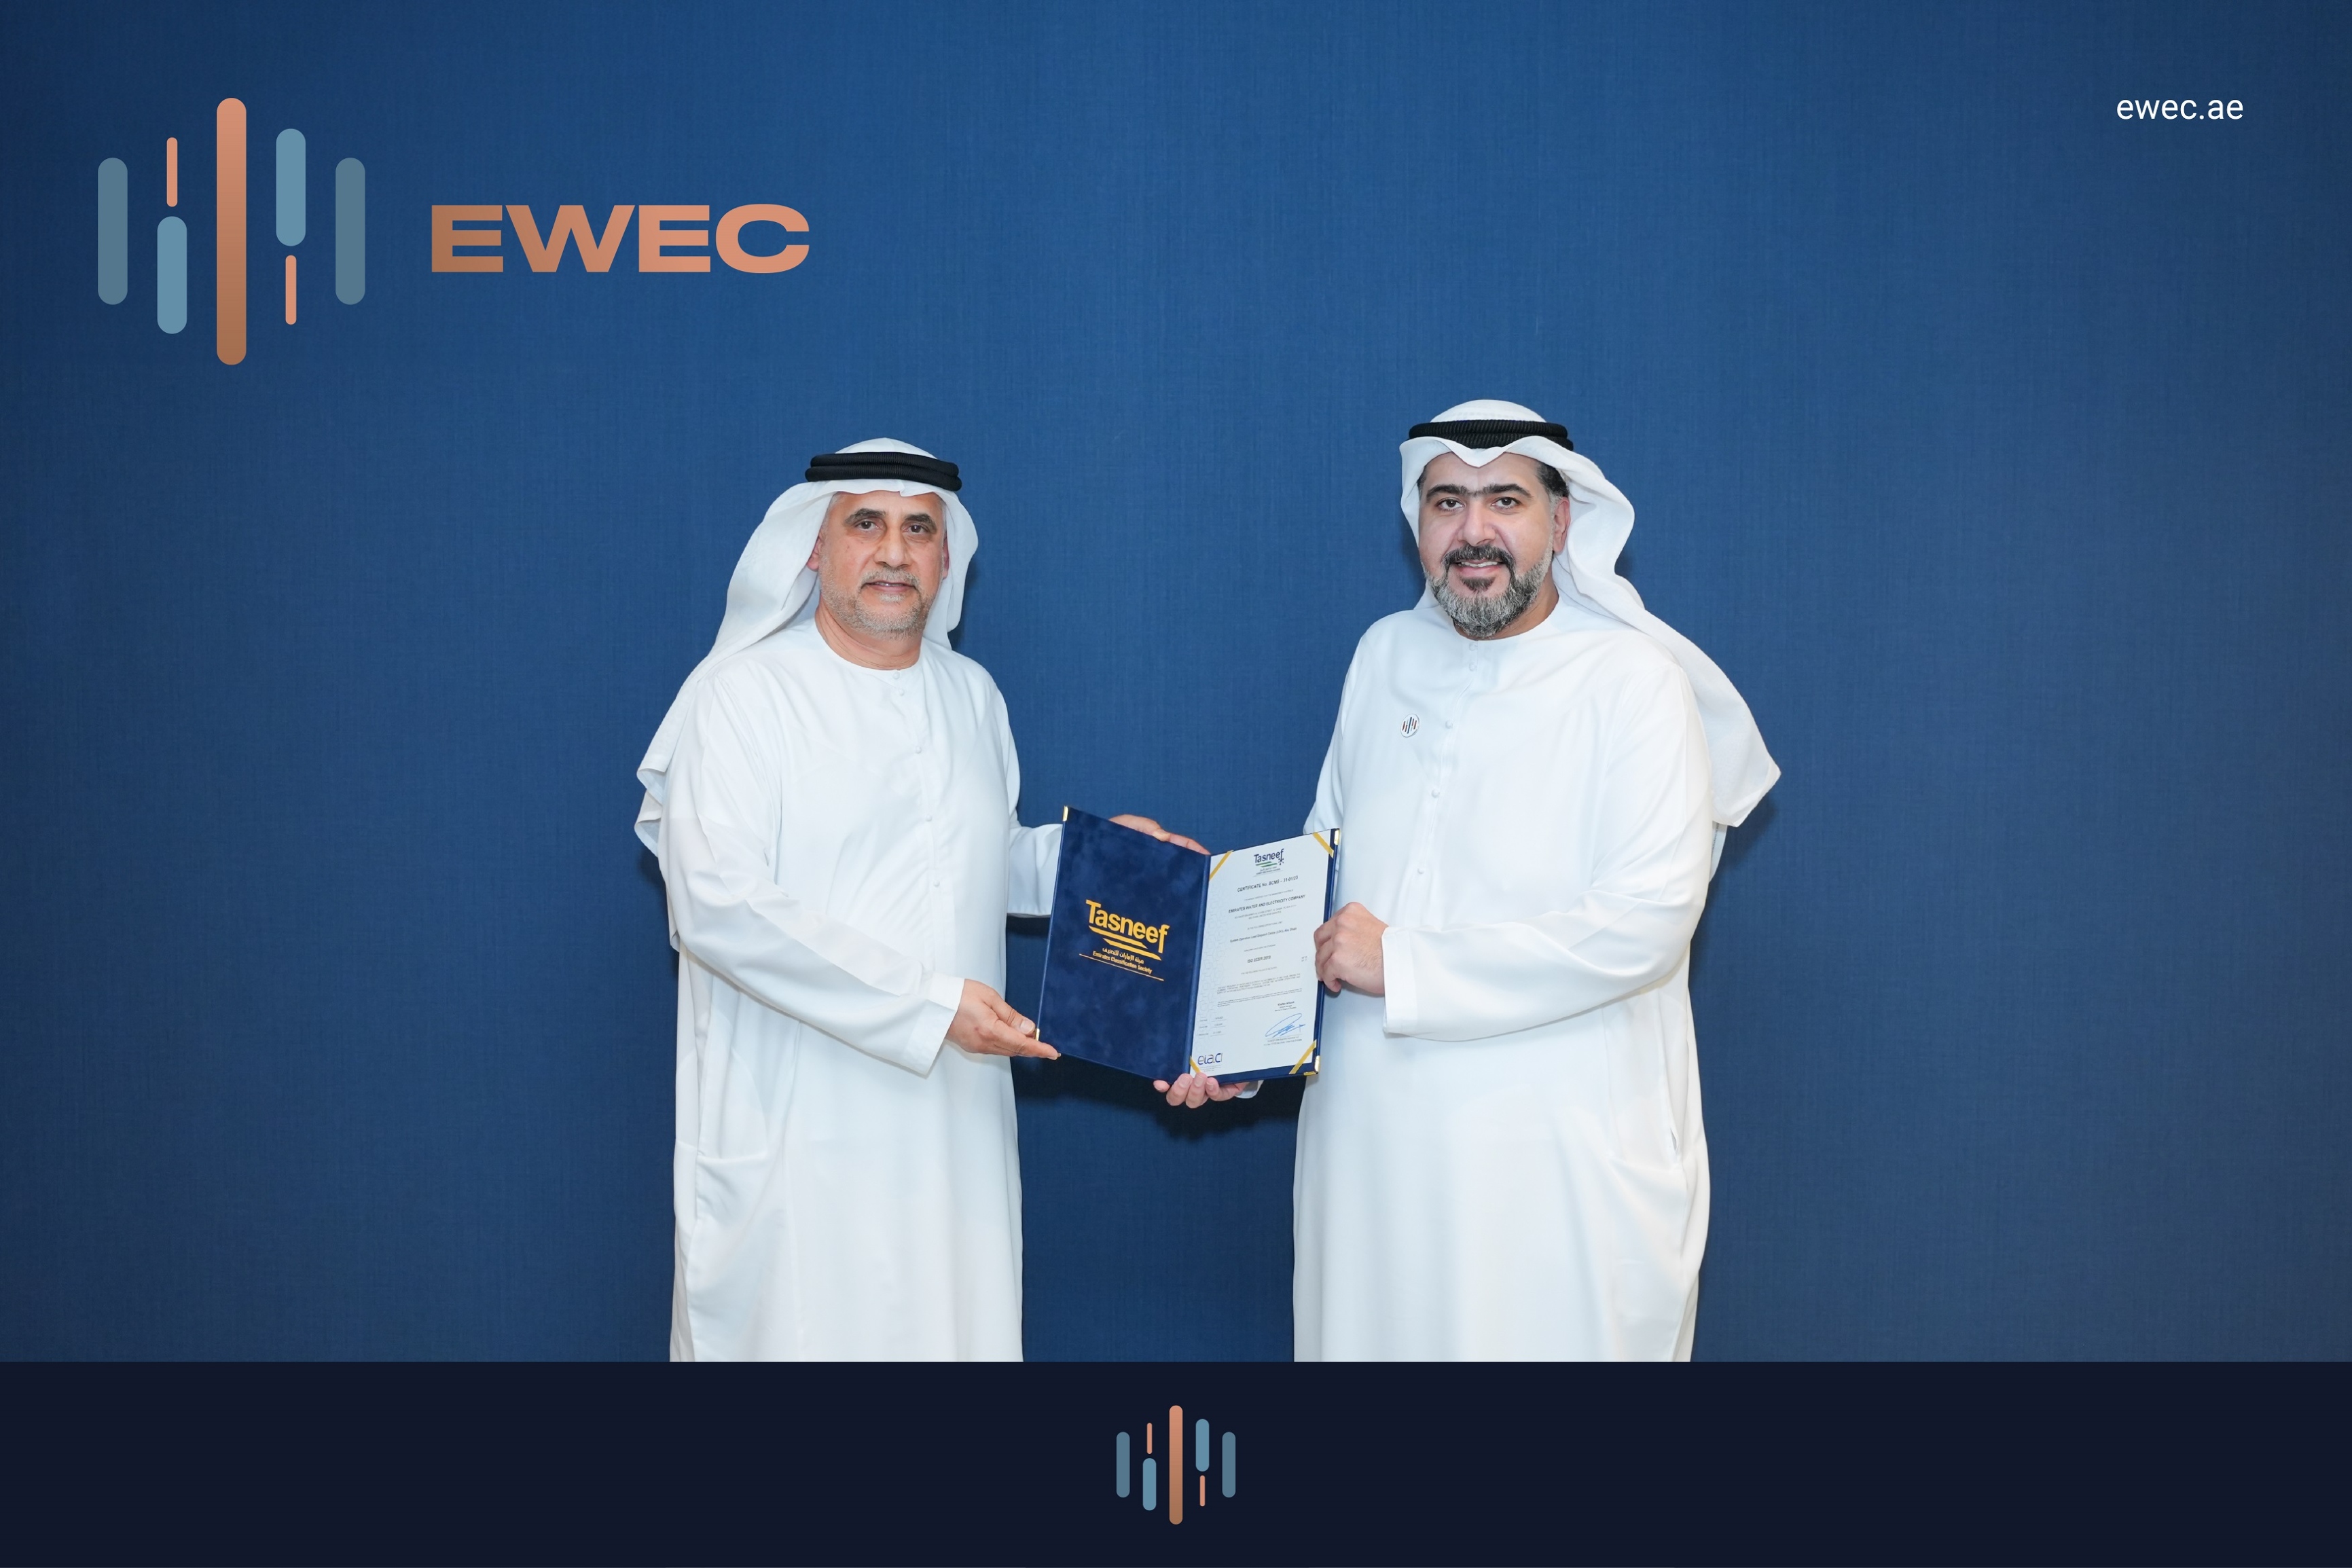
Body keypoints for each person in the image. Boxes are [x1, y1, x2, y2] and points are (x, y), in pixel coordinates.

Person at [1168, 399, 1777, 1359]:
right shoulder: (1384, 656)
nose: (1473, 531)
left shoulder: (1633, 681)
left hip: (1551, 1167)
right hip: (1371, 1158)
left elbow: (1648, 922)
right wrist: (1246, 1043)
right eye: (1447, 502)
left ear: (1562, 522)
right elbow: (1320, 882)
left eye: (1506, 501)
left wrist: (1406, 963)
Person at [634, 438, 1196, 1360]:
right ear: (814, 547)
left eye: (920, 529)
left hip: (951, 1131)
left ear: (946, 555)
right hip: (799, 1129)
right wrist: (930, 1006)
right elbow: (717, 905)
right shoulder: (740, 697)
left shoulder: (972, 695)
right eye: (867, 524)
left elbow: (979, 861)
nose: (894, 552)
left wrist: (1111, 864)